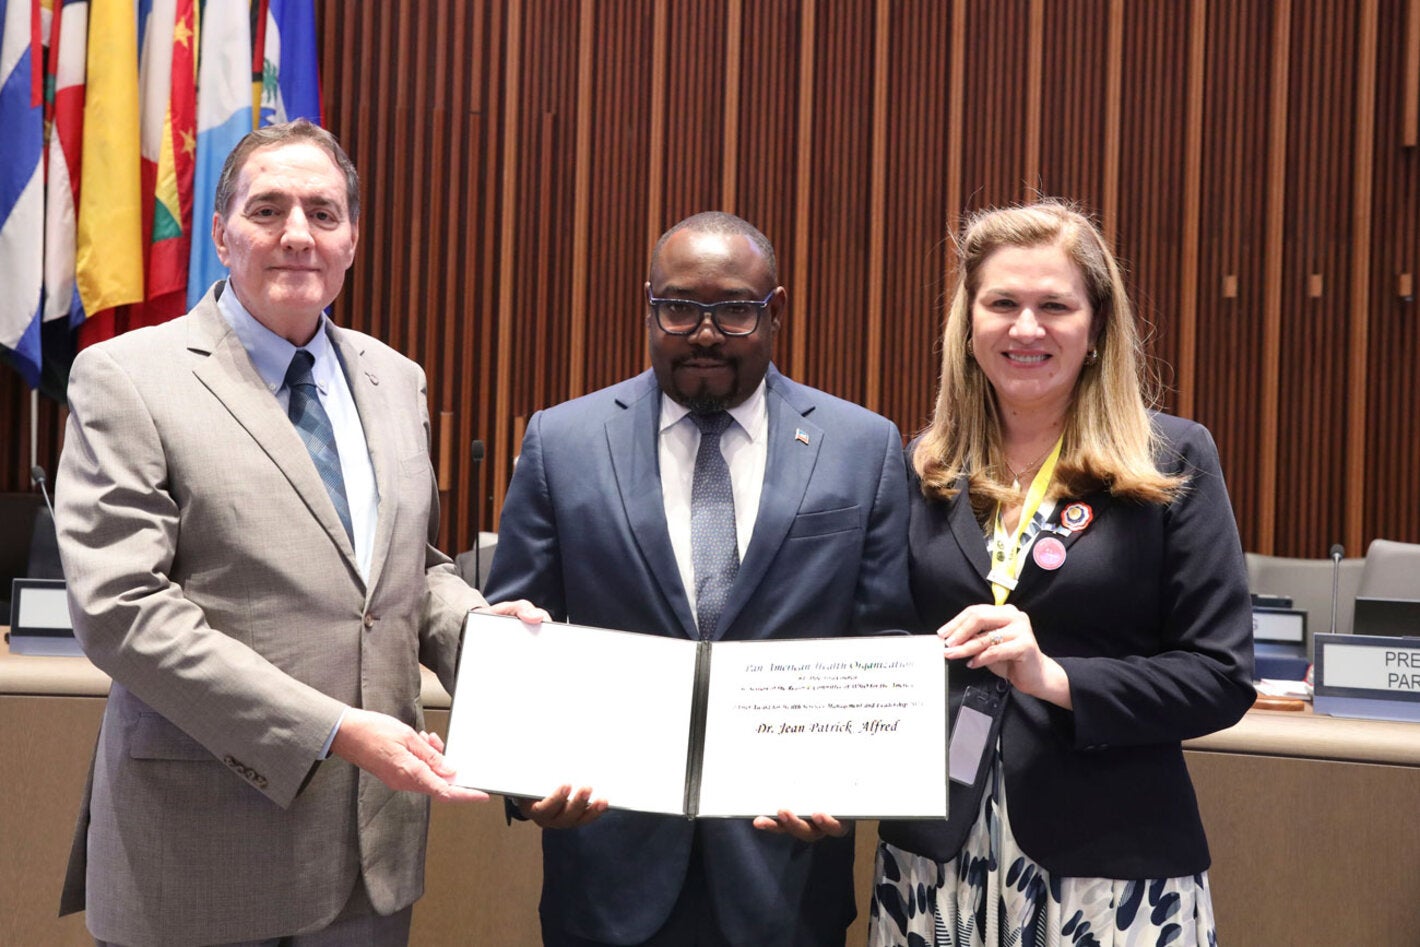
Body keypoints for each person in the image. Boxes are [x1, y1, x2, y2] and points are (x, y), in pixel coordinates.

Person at [54, 119, 544, 947]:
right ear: (220, 233)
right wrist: (336, 729)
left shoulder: (397, 379)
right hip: (200, 853)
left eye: (323, 213)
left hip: (365, 862)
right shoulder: (128, 376)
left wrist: (482, 631)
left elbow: (403, 572)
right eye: (267, 209)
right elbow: (122, 610)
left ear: (353, 239)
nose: (296, 235)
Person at [483, 211, 913, 946]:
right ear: (648, 305)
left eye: (735, 310)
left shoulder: (861, 448)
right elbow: (518, 627)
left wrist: (851, 781)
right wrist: (527, 786)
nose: (705, 333)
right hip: (608, 873)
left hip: (785, 872)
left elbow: (884, 637)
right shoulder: (563, 441)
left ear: (775, 311)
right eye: (679, 307)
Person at [871, 200, 1255, 946]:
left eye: (1055, 305)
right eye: (1003, 303)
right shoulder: (921, 469)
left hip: (1112, 866)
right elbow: (876, 639)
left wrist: (1052, 675)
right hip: (936, 862)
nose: (1025, 328)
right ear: (969, 320)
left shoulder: (1170, 462)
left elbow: (1220, 673)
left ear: (1097, 325)